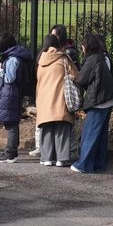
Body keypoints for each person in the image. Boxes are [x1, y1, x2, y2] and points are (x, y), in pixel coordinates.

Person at [71, 34, 113, 174]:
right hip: (108, 100)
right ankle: (98, 163)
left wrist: (74, 78)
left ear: (87, 46)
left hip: (98, 100)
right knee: (101, 135)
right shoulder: (104, 57)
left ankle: (83, 164)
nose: (82, 48)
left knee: (90, 133)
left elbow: (82, 80)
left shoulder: (92, 59)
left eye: (83, 45)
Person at [35, 34, 78, 166]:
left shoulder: (40, 61)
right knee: (62, 128)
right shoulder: (63, 58)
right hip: (60, 98)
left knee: (46, 128)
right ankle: (62, 158)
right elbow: (76, 75)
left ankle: (47, 157)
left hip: (44, 99)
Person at [0, 33, 33, 162]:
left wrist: (0, 69)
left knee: (11, 123)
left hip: (10, 93)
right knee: (11, 122)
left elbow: (9, 78)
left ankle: (10, 152)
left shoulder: (13, 59)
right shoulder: (18, 55)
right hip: (13, 93)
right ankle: (11, 151)